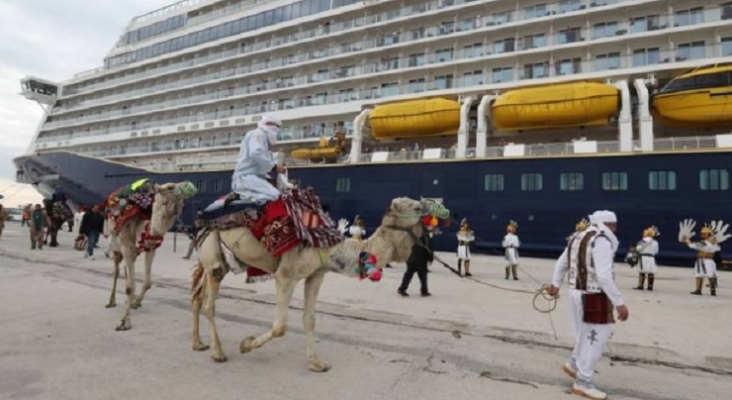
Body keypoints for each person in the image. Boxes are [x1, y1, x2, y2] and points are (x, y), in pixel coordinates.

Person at [546, 210, 629, 400]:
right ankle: (583, 382)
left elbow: (561, 262)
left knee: (583, 335)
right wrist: (619, 302)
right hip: (594, 295)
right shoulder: (601, 241)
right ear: (606, 224)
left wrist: (556, 284)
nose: (616, 229)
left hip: (575, 293)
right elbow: (604, 275)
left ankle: (574, 364)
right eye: (614, 225)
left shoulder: (577, 236)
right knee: (596, 339)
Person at [228, 114, 286, 205]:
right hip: (247, 177)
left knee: (275, 194)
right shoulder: (258, 134)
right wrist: (274, 167)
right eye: (277, 127)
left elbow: (263, 157)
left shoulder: (263, 140)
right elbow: (256, 153)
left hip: (253, 177)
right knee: (274, 196)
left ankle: (242, 197)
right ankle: (242, 197)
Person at [685, 223, 722, 296]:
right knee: (711, 275)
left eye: (704, 234)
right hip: (710, 261)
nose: (702, 235)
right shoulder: (714, 243)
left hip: (702, 260)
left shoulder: (704, 243)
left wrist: (687, 240)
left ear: (708, 234)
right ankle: (712, 291)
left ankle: (698, 290)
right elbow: (718, 249)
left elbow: (692, 246)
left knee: (699, 275)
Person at [398, 227, 433, 297]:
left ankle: (402, 288)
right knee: (420, 275)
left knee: (411, 274)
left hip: (414, 258)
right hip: (418, 258)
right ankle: (424, 291)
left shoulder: (410, 234)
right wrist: (430, 257)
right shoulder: (423, 234)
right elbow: (428, 247)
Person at [634, 226, 660, 291]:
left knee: (642, 271)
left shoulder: (643, 240)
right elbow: (656, 251)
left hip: (643, 257)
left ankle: (641, 285)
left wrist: (635, 249)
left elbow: (639, 248)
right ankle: (650, 286)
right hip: (651, 258)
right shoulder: (655, 242)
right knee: (651, 272)